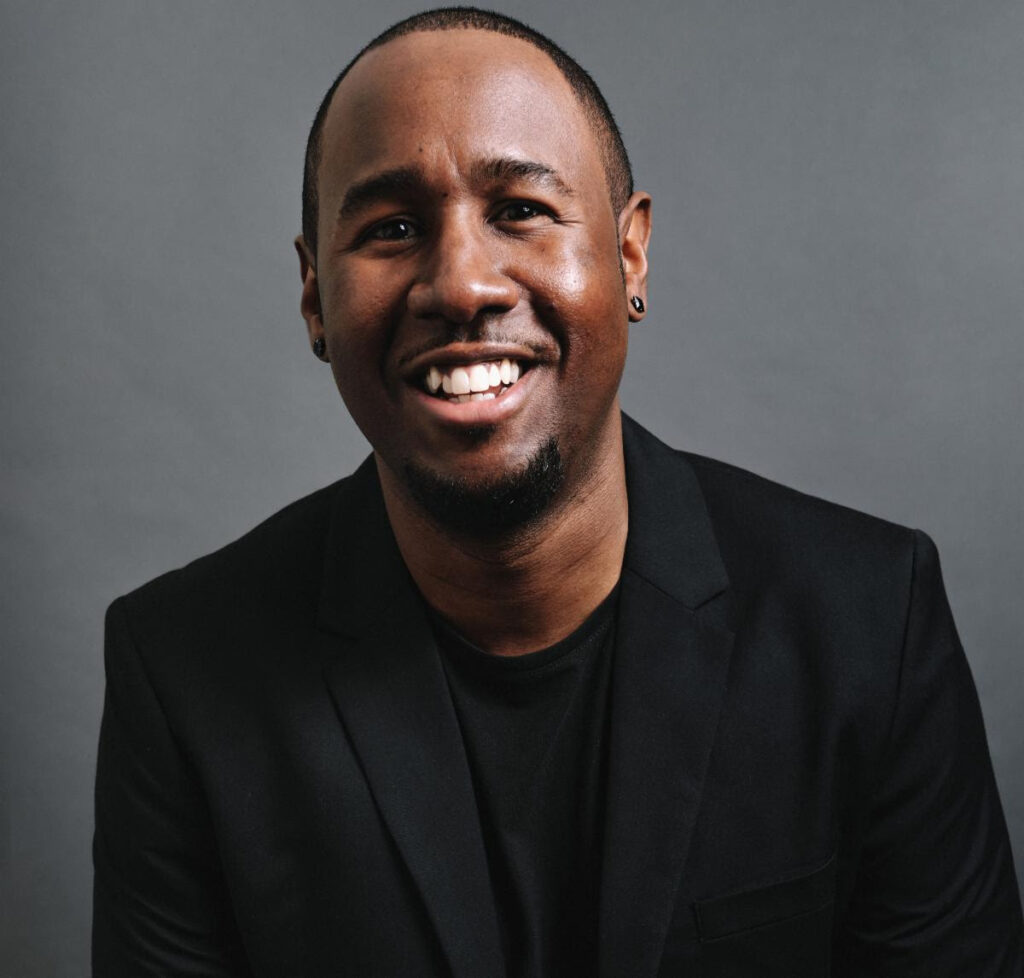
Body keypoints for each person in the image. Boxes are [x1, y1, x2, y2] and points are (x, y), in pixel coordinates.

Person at [92, 7, 1023, 976]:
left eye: (520, 211)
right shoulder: (185, 673)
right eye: (392, 228)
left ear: (630, 254)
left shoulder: (868, 624)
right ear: (314, 295)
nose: (462, 285)